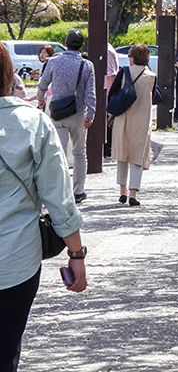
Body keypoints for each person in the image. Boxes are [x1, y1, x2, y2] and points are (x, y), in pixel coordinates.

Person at [0, 42, 89, 371]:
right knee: (6, 348)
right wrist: (76, 255)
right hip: (15, 261)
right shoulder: (33, 124)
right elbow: (59, 197)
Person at [35, 29, 96, 204]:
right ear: (81, 46)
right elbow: (90, 92)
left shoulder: (54, 61)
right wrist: (91, 113)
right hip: (78, 112)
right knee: (79, 152)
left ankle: (60, 190)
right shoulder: (87, 65)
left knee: (59, 152)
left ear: (66, 44)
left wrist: (40, 99)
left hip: (58, 112)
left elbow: (43, 83)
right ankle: (78, 191)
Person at [109, 43, 156, 206]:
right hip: (142, 122)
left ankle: (122, 191)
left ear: (132, 58)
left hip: (123, 118)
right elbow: (155, 97)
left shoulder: (124, 72)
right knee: (137, 157)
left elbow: (112, 93)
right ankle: (133, 194)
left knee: (122, 155)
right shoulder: (151, 76)